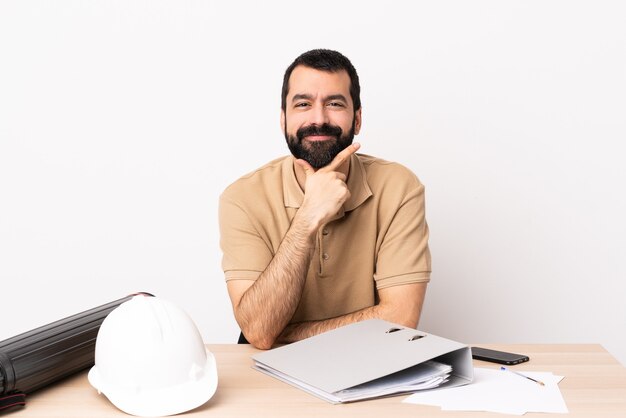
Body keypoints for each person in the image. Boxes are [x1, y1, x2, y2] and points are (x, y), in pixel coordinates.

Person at [219, 49, 431, 350]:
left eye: (334, 104)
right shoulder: (241, 198)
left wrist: (287, 334)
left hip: (369, 363)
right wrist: (307, 219)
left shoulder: (400, 187)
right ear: (283, 120)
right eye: (303, 104)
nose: (318, 119)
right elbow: (260, 331)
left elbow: (401, 320)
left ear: (357, 119)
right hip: (271, 376)